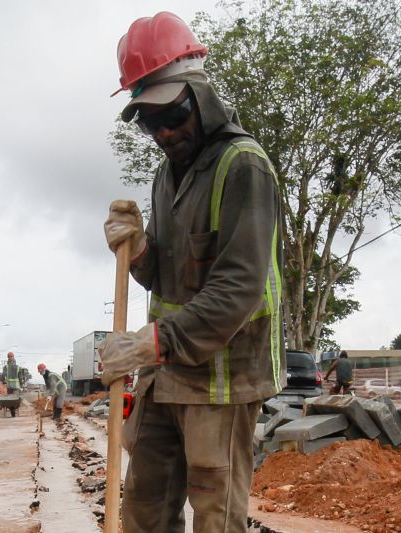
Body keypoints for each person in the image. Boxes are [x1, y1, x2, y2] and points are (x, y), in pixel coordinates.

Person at [100, 12, 284, 533]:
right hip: (167, 376)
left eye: (171, 114)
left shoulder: (243, 165)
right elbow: (166, 275)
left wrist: (150, 343)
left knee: (215, 518)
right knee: (145, 509)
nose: (163, 131)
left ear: (200, 94)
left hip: (222, 382)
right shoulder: (167, 174)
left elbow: (239, 287)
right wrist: (136, 249)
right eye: (149, 121)